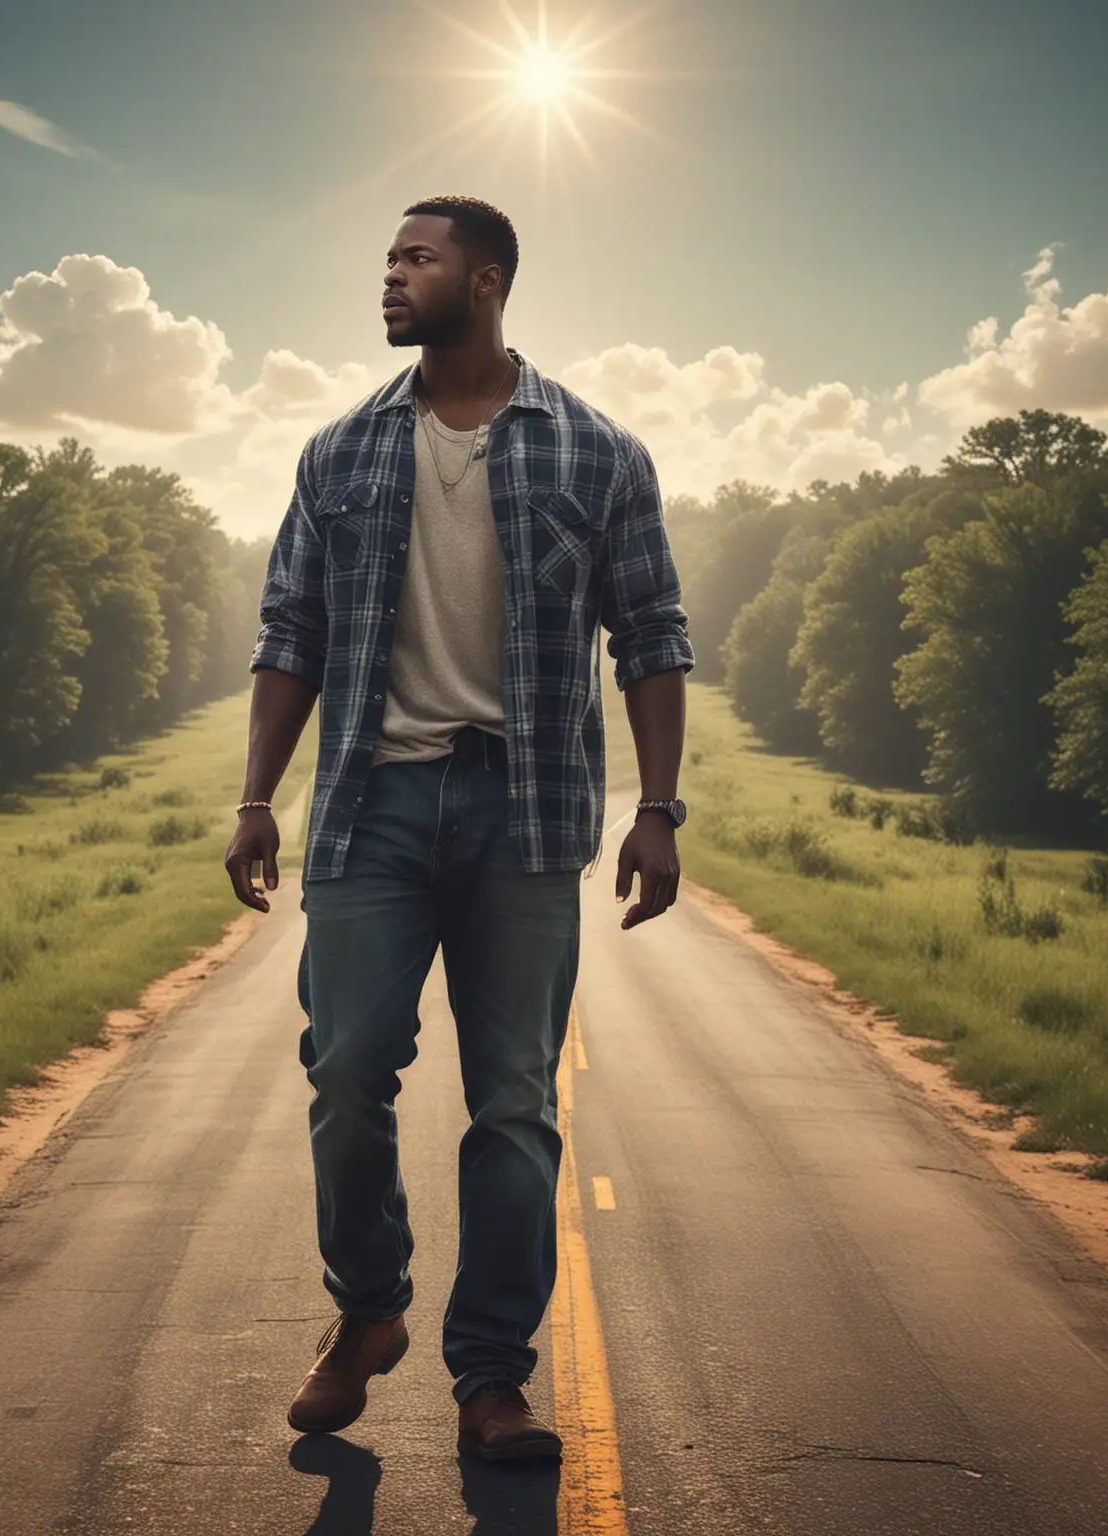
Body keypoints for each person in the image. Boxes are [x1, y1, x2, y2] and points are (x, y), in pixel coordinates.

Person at [224, 194, 692, 1463]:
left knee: (515, 1108)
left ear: (483, 283)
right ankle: (368, 1311)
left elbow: (652, 639)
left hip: (525, 812)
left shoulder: (598, 454)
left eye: (414, 259)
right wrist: (259, 793)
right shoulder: (339, 455)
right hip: (371, 806)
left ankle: (492, 1378)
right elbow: (290, 638)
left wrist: (655, 808)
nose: (389, 276)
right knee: (347, 1068)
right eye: (385, 256)